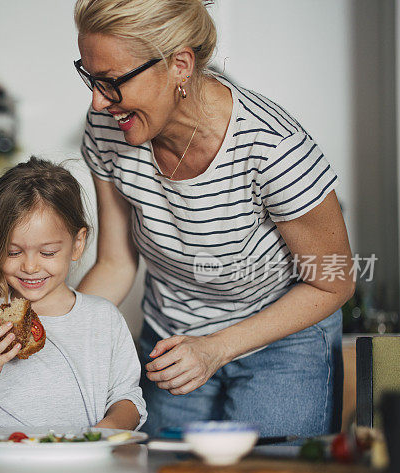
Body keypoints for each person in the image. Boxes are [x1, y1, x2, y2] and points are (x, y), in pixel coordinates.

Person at [73, 0, 355, 437]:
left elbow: (333, 281)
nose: (98, 100)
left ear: (180, 65)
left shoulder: (274, 149)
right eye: (90, 79)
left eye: (111, 82)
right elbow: (115, 263)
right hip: (172, 338)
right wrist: (57, 329)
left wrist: (215, 349)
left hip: (282, 339)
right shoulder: (107, 127)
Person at [0, 157, 147, 430]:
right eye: (13, 252)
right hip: (6, 465)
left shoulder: (104, 318)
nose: (30, 267)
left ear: (77, 243)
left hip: (80, 463)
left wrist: (101, 435)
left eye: (47, 253)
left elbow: (128, 399)